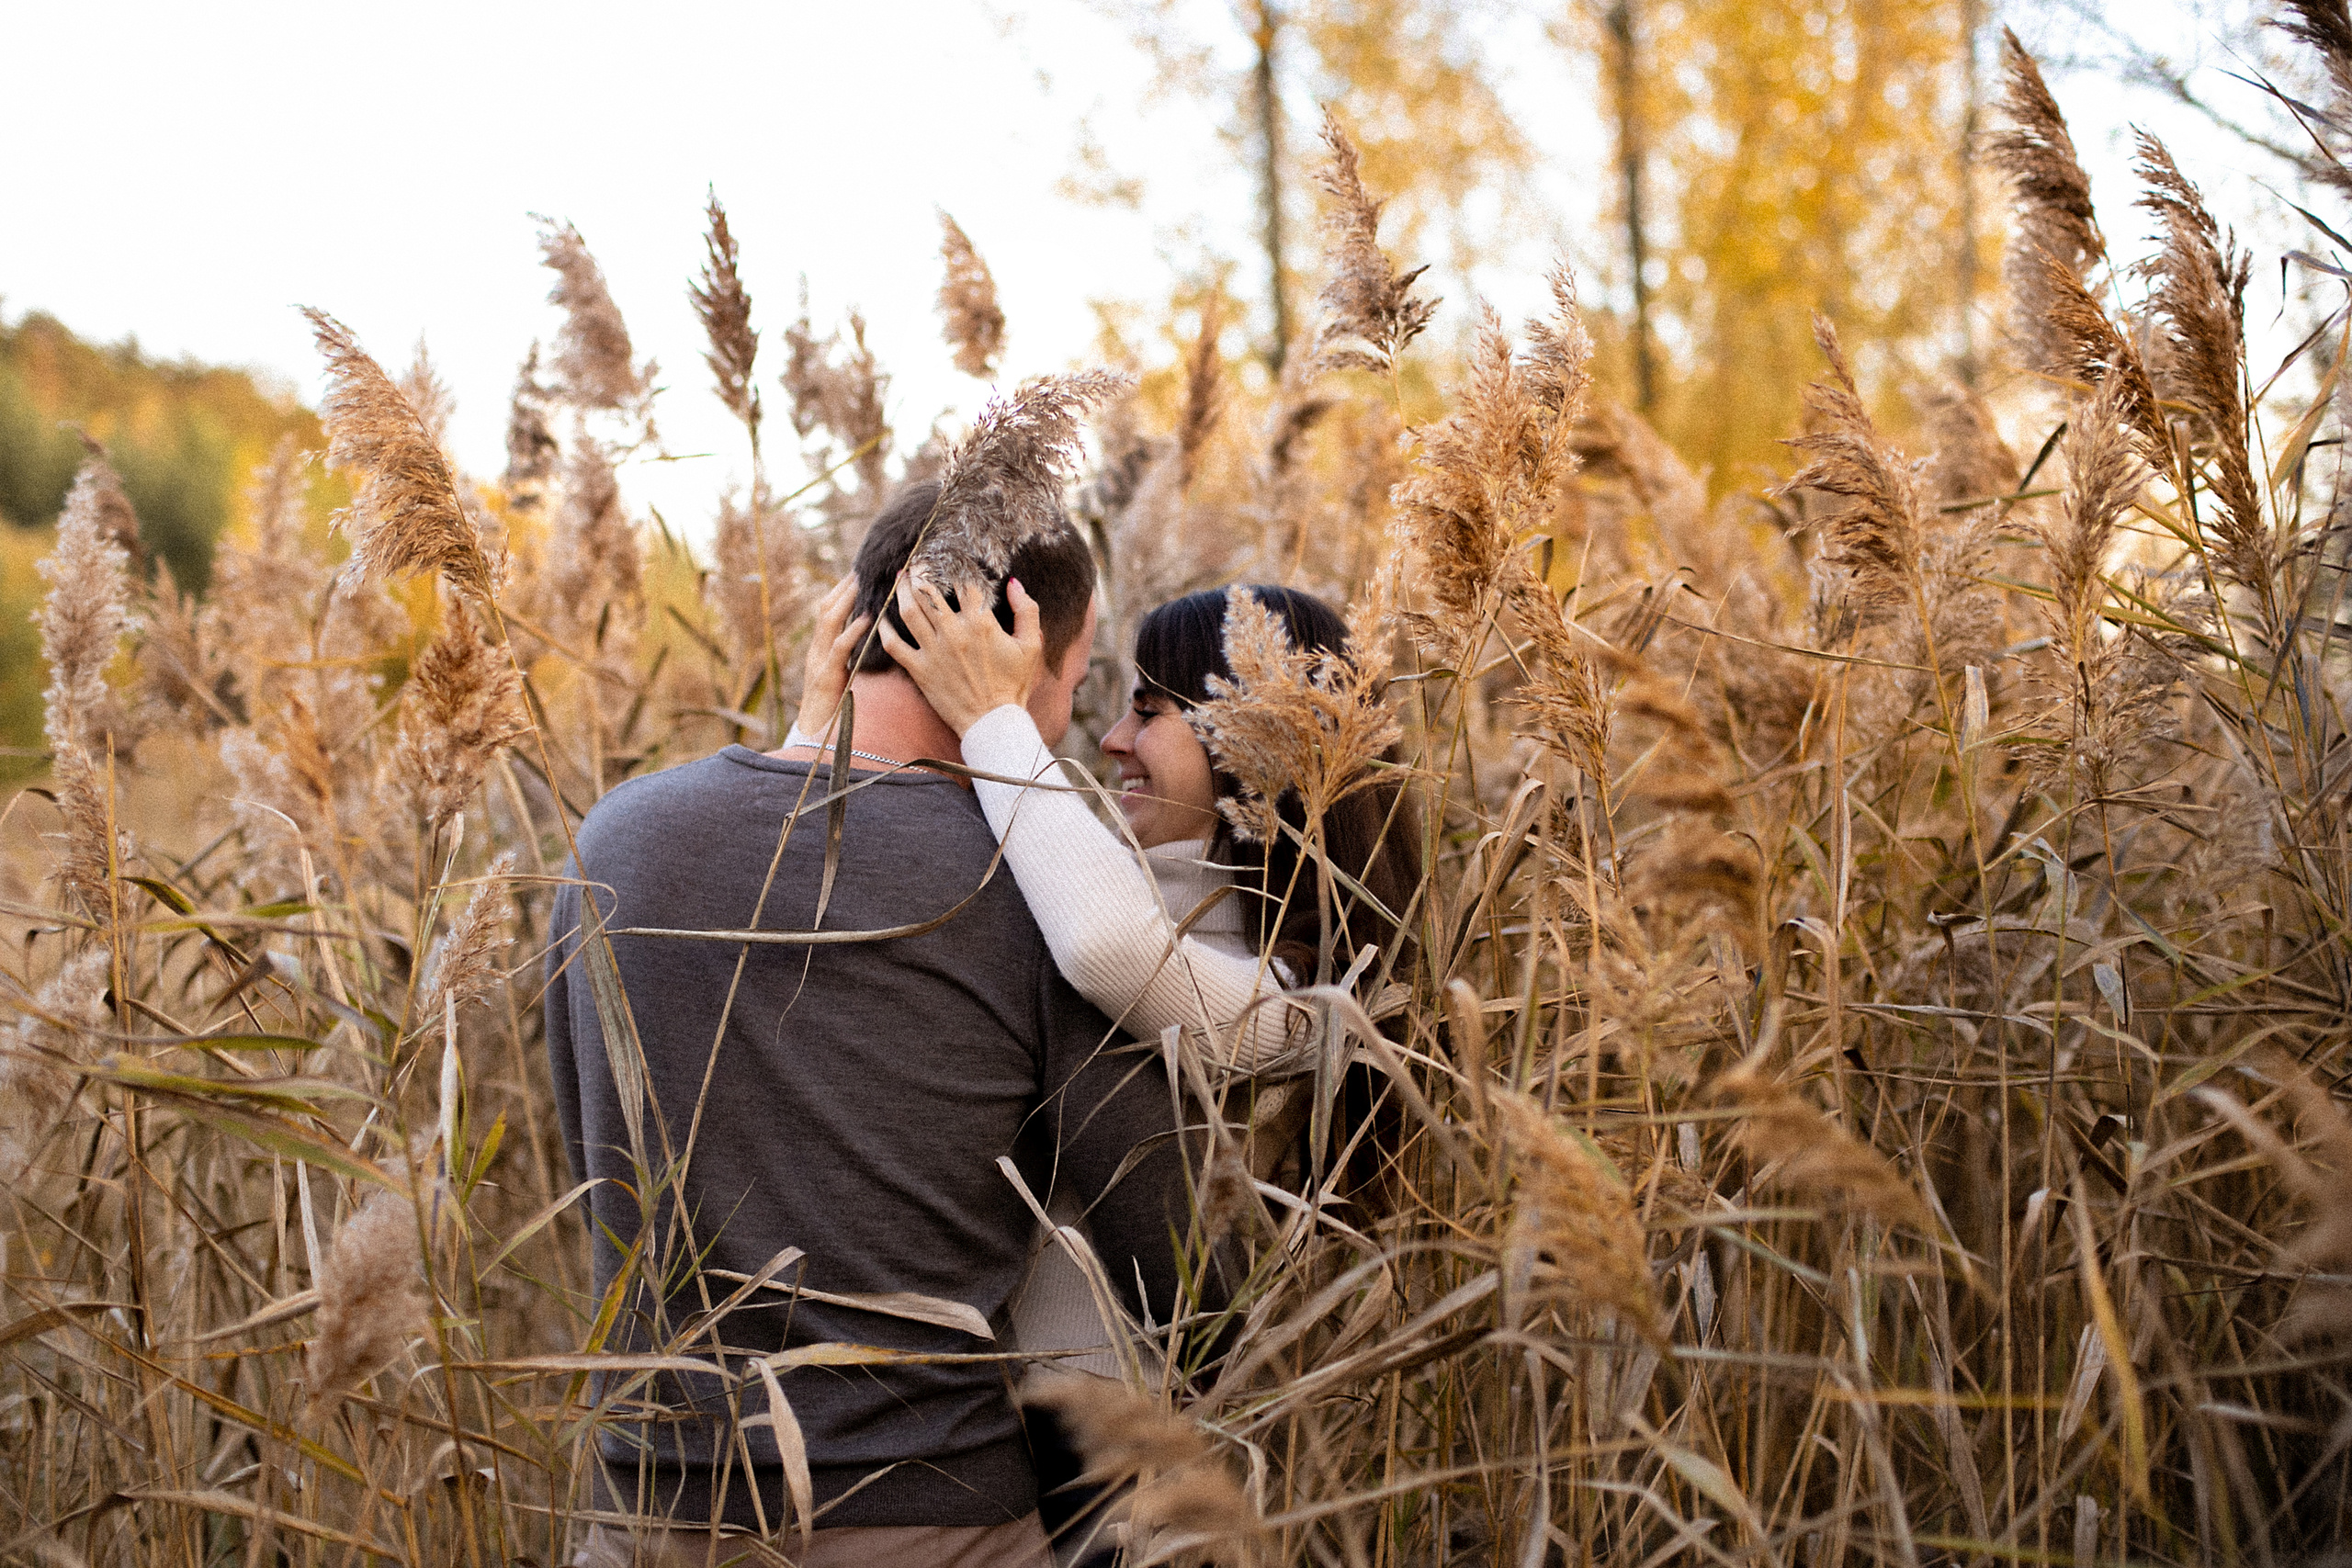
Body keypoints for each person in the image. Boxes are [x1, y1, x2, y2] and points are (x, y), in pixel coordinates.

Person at [545, 480, 1212, 1568]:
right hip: (928, 1523)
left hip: (643, 1513)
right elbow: (1166, 1255)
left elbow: (591, 1145)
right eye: (1076, 680)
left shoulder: (613, 843)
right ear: (1012, 643)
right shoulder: (1021, 881)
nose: (1069, 724)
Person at [792, 575, 1418, 1556]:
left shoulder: (1324, 996)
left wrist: (1000, 724)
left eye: (1150, 709)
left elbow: (1113, 957)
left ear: (1256, 744)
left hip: (1120, 1510)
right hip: (947, 1480)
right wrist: (819, 742)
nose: (1113, 739)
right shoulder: (1061, 875)